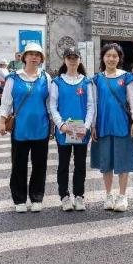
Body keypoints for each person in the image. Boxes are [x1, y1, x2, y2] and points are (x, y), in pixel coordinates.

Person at [0, 42, 52, 213]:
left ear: (41, 58)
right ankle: (19, 199)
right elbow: (6, 102)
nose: (34, 57)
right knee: (18, 165)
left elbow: (50, 104)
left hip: (41, 128)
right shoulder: (13, 78)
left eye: (37, 55)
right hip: (20, 129)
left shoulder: (46, 78)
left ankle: (37, 197)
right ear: (24, 57)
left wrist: (54, 125)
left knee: (39, 165)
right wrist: (2, 121)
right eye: (31, 54)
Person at [91, 43, 133, 212]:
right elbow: (94, 104)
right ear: (103, 58)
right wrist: (93, 125)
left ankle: (122, 196)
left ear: (119, 59)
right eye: (108, 56)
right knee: (106, 162)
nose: (111, 59)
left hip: (122, 124)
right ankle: (109, 195)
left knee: (123, 161)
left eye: (115, 56)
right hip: (103, 125)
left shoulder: (127, 77)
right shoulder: (97, 79)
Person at [49, 46, 95, 211]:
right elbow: (52, 106)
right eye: (69, 57)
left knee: (80, 165)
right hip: (64, 131)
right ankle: (64, 196)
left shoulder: (86, 82)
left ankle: (79, 195)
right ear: (64, 60)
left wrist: (86, 126)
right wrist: (61, 125)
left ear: (80, 60)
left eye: (75, 57)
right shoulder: (57, 82)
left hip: (81, 131)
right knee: (63, 164)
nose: (73, 60)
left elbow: (91, 106)